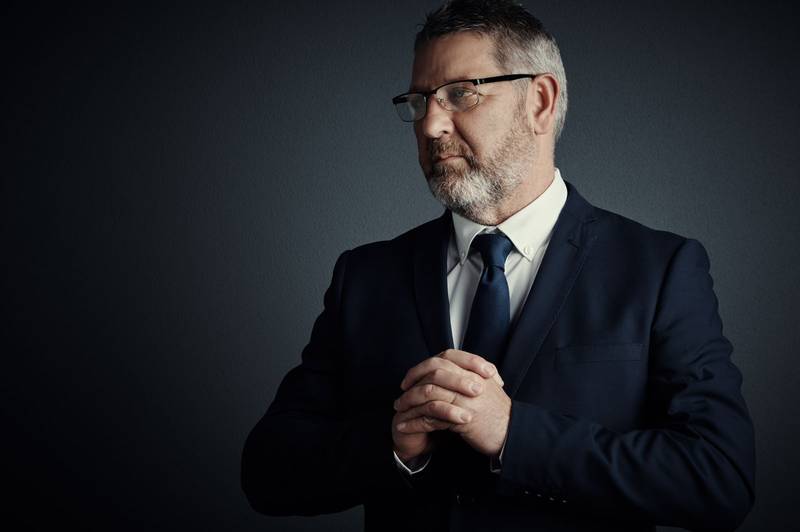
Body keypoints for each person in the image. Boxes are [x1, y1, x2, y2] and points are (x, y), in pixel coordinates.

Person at [241, 1, 755, 530]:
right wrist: (393, 444)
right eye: (419, 102)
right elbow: (266, 471)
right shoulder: (366, 277)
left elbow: (719, 477)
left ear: (540, 101)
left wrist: (514, 433)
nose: (431, 125)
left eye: (460, 93)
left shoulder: (660, 270)